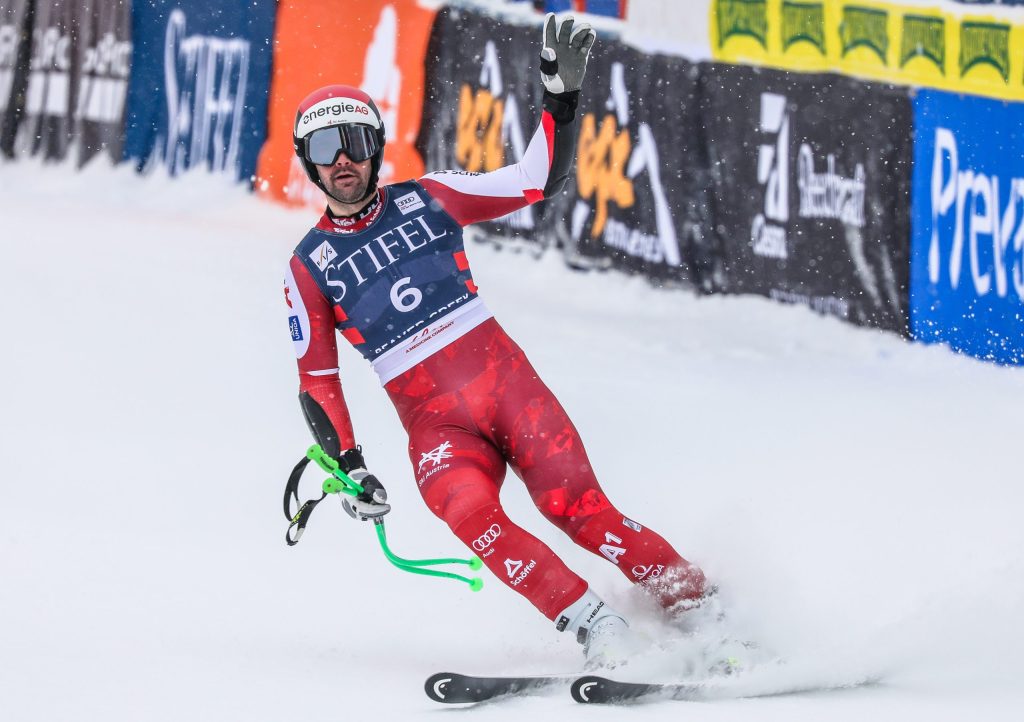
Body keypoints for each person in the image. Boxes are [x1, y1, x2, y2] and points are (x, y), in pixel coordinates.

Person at [284, 14, 706, 665]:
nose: (342, 160)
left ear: (376, 144)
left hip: (510, 392)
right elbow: (319, 379)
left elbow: (538, 179)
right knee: (467, 514)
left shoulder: (431, 197)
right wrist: (351, 466)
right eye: (323, 149)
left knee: (581, 509)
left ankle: (703, 610)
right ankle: (596, 626)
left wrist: (560, 101)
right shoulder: (308, 265)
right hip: (435, 427)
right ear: (308, 164)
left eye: (354, 141)